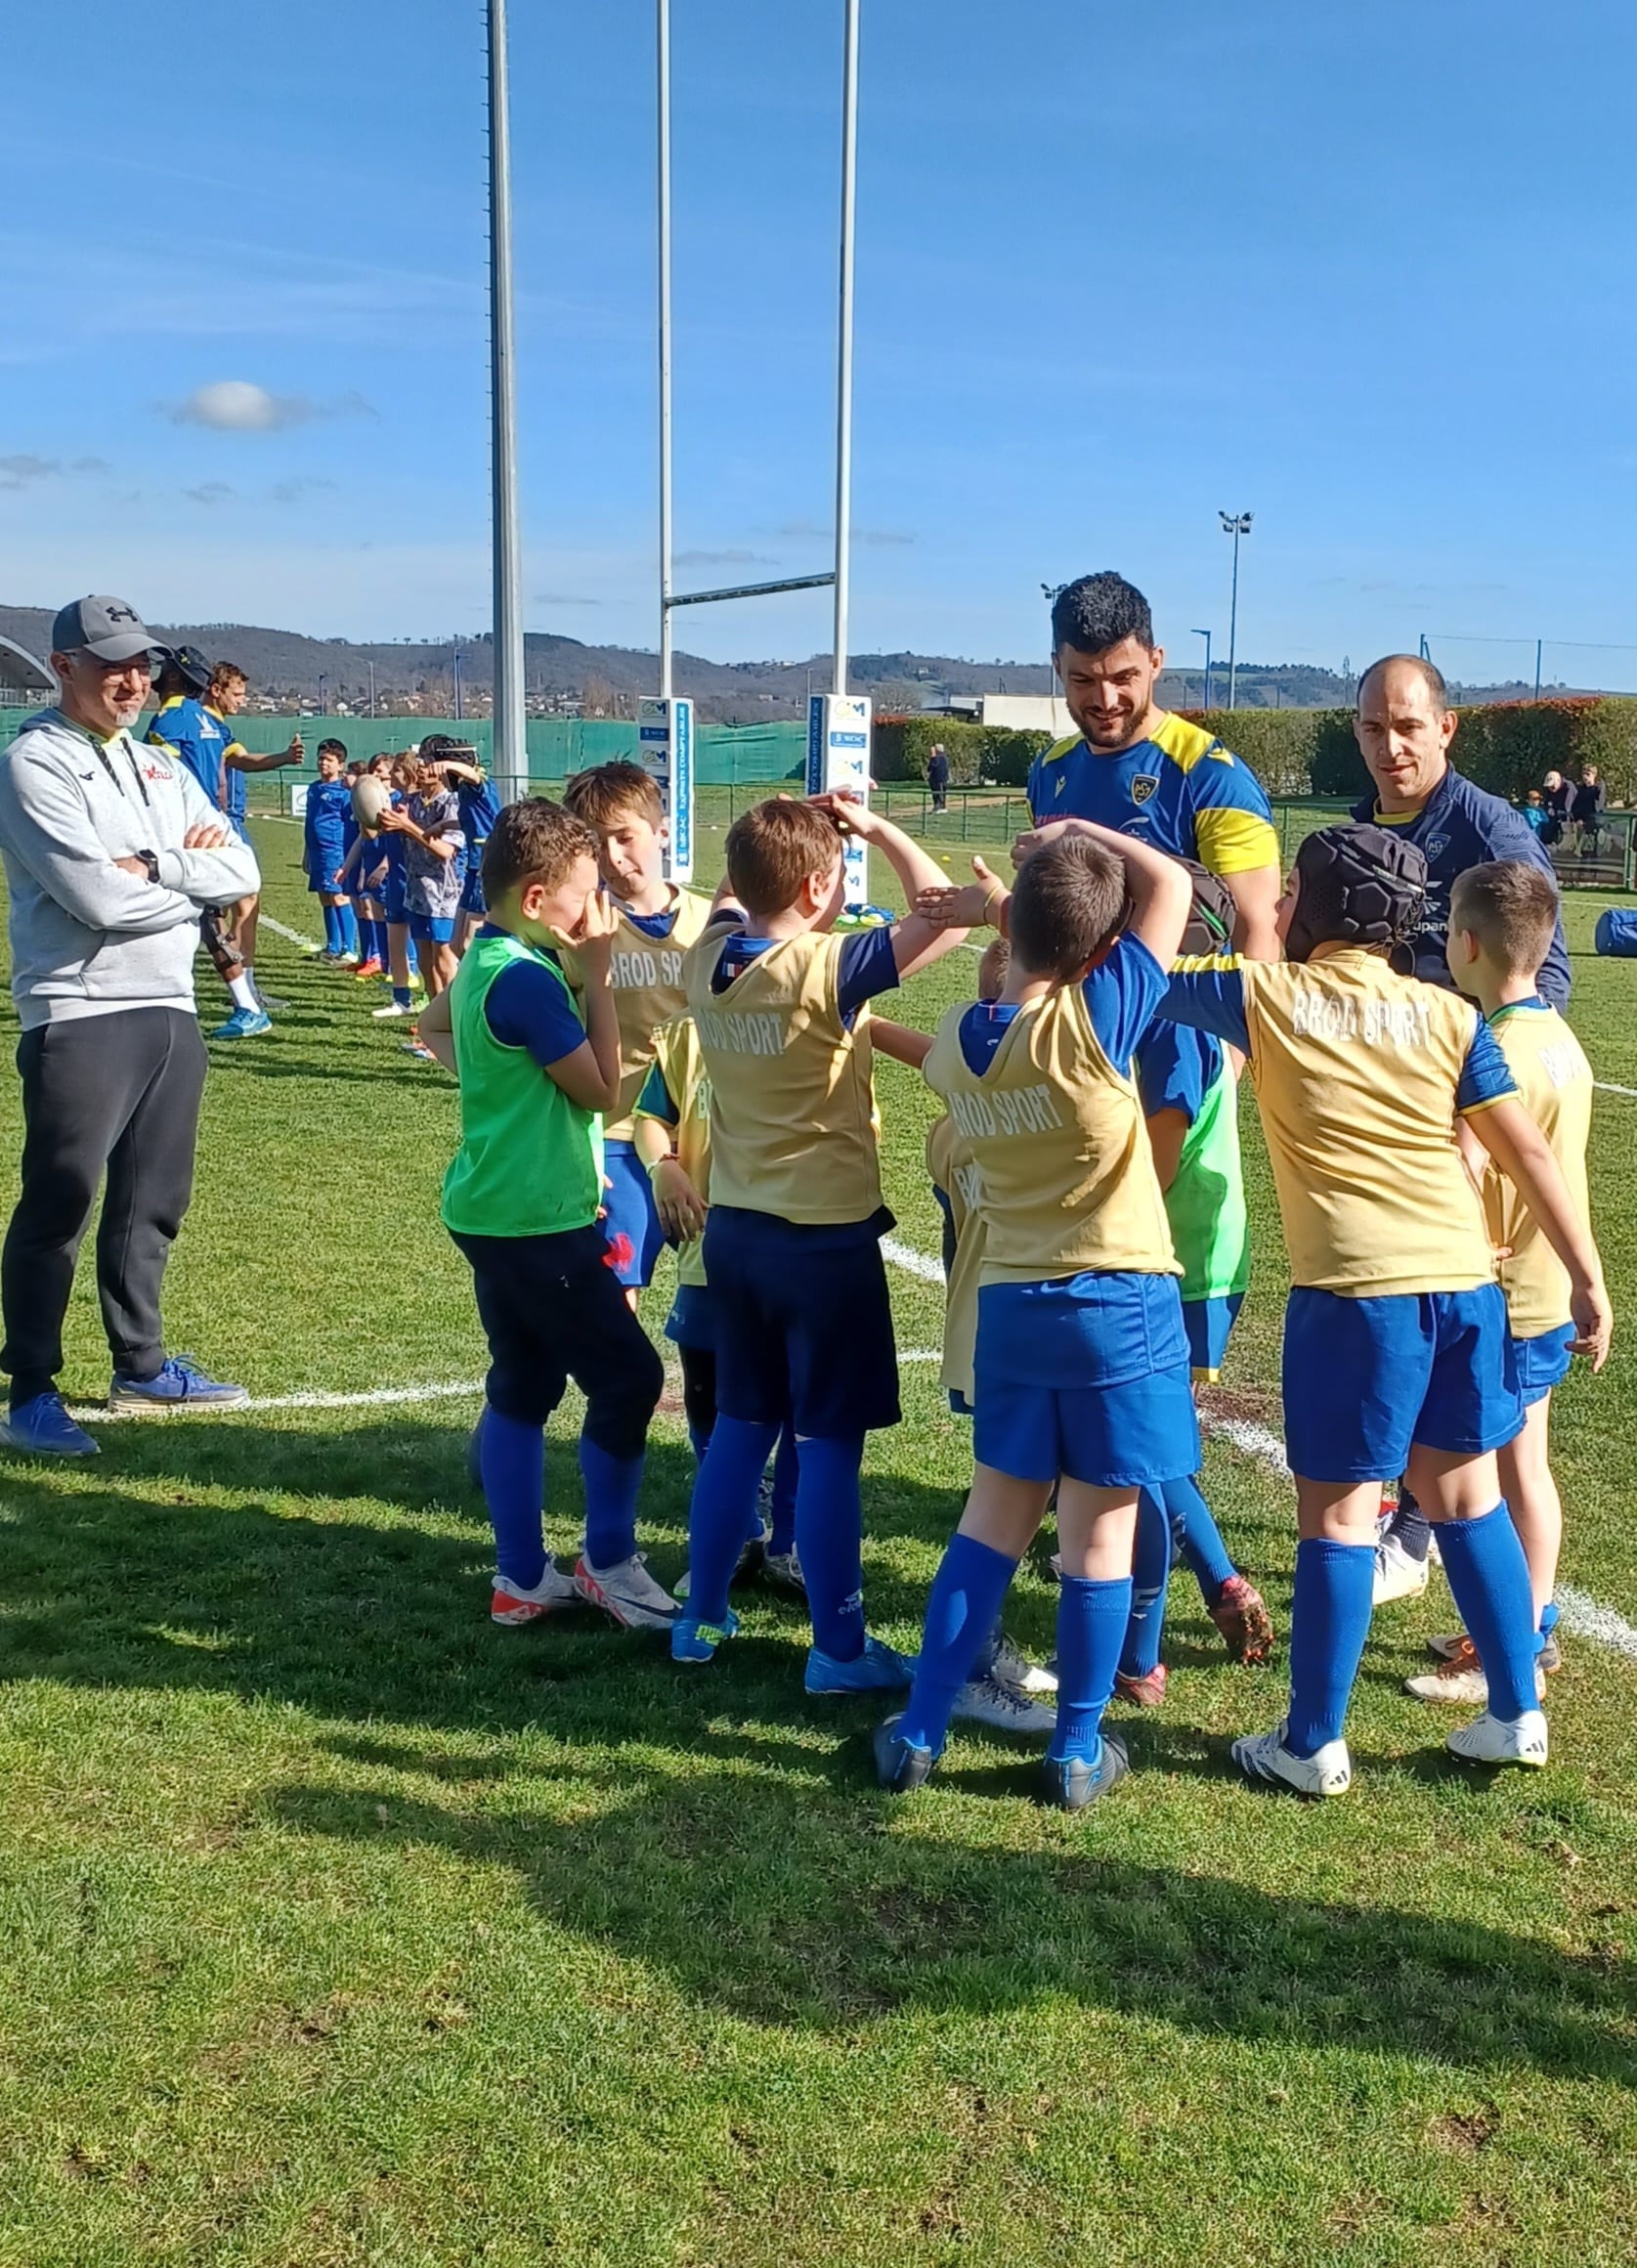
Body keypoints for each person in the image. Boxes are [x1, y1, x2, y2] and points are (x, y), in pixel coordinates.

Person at [1161, 824, 1610, 1795]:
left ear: (1311, 910)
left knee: (1335, 1517)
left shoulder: (1267, 994)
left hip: (1358, 1296)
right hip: (1466, 1289)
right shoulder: (1448, 1016)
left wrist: (1010, 906)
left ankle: (1312, 1740)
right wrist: (1587, 1275)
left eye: (1287, 895)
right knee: (1464, 1496)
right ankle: (1514, 1711)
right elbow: (1526, 1151)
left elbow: (1140, 972)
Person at [874, 825, 1196, 1810]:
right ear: (1103, 953)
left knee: (988, 1525)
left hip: (1011, 1305)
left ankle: (921, 1727)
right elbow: (1172, 884)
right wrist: (1079, 832)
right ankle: (1074, 1750)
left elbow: (988, 1003)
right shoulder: (1099, 1017)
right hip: (1118, 1306)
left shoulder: (967, 1043)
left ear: (1010, 935)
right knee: (1098, 1538)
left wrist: (1027, 885)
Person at [670, 793, 972, 1690]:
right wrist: (875, 831)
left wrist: (766, 846)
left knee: (740, 1428)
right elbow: (941, 920)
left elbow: (737, 897)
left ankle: (699, 1615)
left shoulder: (705, 959)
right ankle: (839, 1650)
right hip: (822, 1249)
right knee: (830, 1444)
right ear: (818, 885)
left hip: (736, 1237)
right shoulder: (824, 968)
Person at [0, 594, 260, 1454]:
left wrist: (158, 864)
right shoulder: (36, 762)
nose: (133, 680)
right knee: (60, 1203)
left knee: (154, 1202)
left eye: (142, 664)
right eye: (113, 663)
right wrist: (189, 894)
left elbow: (241, 865)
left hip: (168, 1007)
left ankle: (140, 1366)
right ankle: (31, 1389)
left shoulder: (159, 765)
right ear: (64, 665)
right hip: (80, 1011)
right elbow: (92, 897)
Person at [417, 798, 673, 1631]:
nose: (595, 911)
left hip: (495, 1206)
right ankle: (607, 1562)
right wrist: (597, 976)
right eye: (585, 893)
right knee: (629, 1378)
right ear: (535, 900)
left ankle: (521, 1577)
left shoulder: (485, 958)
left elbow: (440, 1035)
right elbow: (603, 1092)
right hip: (530, 1223)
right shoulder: (529, 981)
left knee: (524, 1385)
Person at [1405, 861, 1593, 1706]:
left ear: (1465, 944)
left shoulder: (1497, 1050)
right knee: (1529, 1469)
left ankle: (1511, 1646)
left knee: (1502, 1476)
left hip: (1509, 1295)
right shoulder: (1556, 1035)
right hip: (1546, 1287)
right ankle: (1522, 1625)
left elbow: (1465, 1165)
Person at [869, 942, 1061, 1736]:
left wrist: (876, 1025)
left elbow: (941, 1066)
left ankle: (980, 1651)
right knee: (1006, 1508)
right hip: (1020, 1332)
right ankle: (973, 1665)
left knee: (1012, 1499)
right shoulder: (1055, 1107)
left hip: (976, 1333)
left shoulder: (948, 1133)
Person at [631, 1011, 805, 1595]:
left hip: (792, 1254)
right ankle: (738, 1532)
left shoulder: (814, 1024)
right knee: (708, 1401)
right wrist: (664, 1166)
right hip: (707, 1256)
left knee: (798, 1406)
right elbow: (651, 1118)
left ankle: (789, 1543)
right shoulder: (688, 1033)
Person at [1020, 571, 1282, 956]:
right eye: (1083, 680)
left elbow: (1256, 937)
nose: (1105, 699)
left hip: (1182, 1015)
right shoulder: (1048, 770)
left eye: (1124, 677)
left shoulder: (1211, 777)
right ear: (1057, 668)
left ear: (1156, 662)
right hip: (1079, 1014)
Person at [560, 763, 713, 1296]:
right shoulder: (580, 931)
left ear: (662, 831)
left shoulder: (711, 921)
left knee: (722, 1297)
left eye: (626, 837)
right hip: (617, 1137)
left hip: (709, 1139)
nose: (615, 858)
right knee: (614, 1296)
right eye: (598, 846)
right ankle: (627, 1386)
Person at [1350, 654, 1570, 1008]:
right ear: (1357, 732)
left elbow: (1546, 970)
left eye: (1408, 727)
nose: (1390, 748)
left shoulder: (1492, 830)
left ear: (1445, 729)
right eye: (1374, 728)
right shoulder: (1351, 842)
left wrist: (1501, 1057)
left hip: (1460, 1060)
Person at [145, 645, 271, 1039]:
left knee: (204, 921)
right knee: (211, 917)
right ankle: (244, 999)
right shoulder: (206, 719)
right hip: (211, 825)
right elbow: (222, 775)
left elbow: (157, 780)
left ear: (174, 678)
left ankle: (246, 1005)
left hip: (187, 830)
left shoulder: (170, 720)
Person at [209, 661, 304, 1009]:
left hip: (230, 824)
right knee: (232, 907)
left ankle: (244, 990)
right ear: (215, 690)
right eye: (237, 693)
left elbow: (243, 759)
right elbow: (242, 763)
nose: (242, 701)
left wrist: (283, 757)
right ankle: (242, 992)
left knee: (243, 904)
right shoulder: (195, 723)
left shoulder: (220, 730)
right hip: (215, 825)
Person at [303, 741, 359, 964]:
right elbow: (309, 822)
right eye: (321, 758)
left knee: (339, 896)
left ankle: (349, 949)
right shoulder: (314, 788)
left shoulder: (343, 792)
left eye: (329, 760)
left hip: (335, 851)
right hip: (316, 851)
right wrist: (307, 852)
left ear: (340, 765)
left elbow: (350, 823)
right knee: (325, 897)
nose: (323, 763)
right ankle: (332, 946)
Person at [1571, 763, 1607, 857]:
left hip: (1595, 824)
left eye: (1588, 774)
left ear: (1594, 775)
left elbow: (1598, 806)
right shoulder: (1580, 789)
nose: (1585, 777)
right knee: (1582, 852)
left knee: (1595, 853)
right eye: (1583, 774)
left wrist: (1587, 822)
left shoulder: (1599, 787)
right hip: (1582, 825)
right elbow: (1576, 805)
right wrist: (1578, 818)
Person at [926, 742, 950, 814]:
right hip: (943, 779)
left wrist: (932, 757)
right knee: (941, 793)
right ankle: (940, 806)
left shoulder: (937, 758)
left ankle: (939, 807)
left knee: (938, 793)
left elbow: (931, 767)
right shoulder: (945, 757)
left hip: (938, 779)